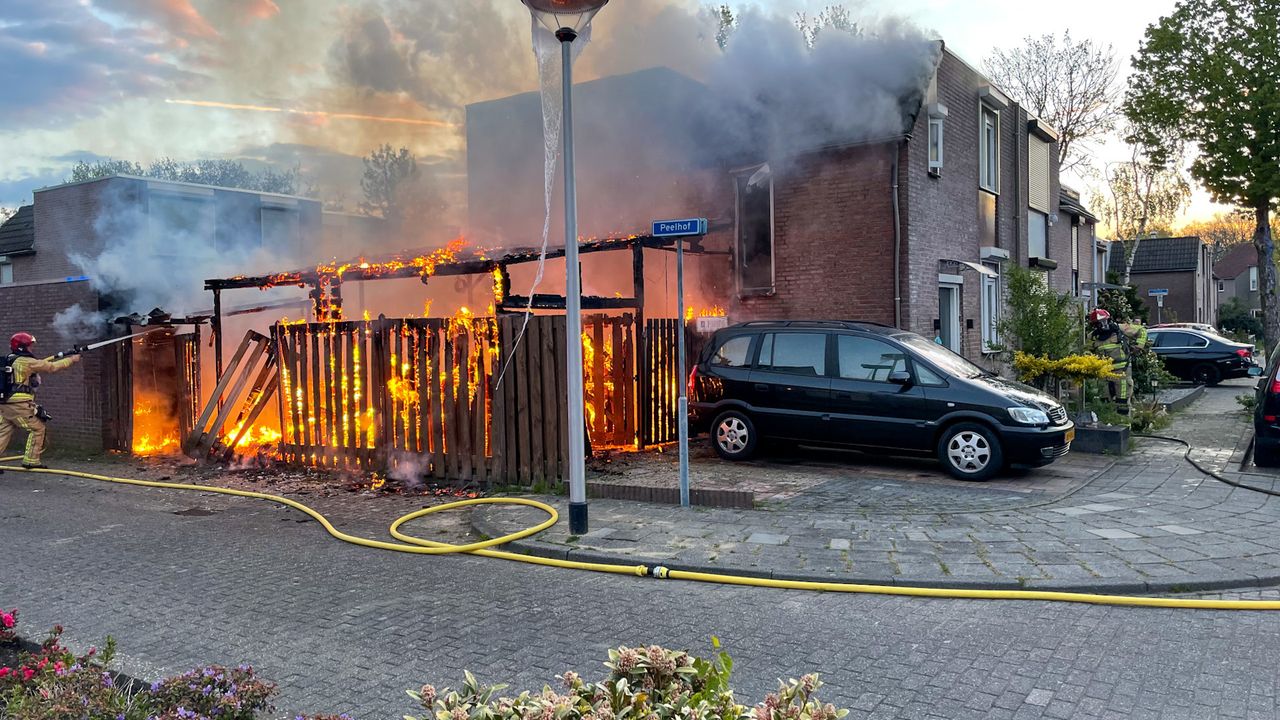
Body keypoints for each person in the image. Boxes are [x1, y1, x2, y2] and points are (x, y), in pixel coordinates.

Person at [0, 332, 81, 469]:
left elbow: (39, 365)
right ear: (22, 347)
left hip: (5, 404)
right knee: (37, 428)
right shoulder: (27, 362)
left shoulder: (9, 359)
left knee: (3, 431)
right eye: (30, 346)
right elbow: (52, 367)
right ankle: (31, 461)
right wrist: (72, 360)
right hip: (19, 405)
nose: (32, 349)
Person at [1088, 308, 1148, 417]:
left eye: (1104, 321)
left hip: (1122, 373)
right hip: (1104, 375)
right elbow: (1086, 351)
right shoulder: (1093, 336)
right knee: (1104, 402)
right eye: (1099, 323)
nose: (1103, 325)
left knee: (1123, 403)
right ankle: (1108, 426)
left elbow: (1141, 331)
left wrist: (1139, 346)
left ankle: (1124, 428)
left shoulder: (1120, 329)